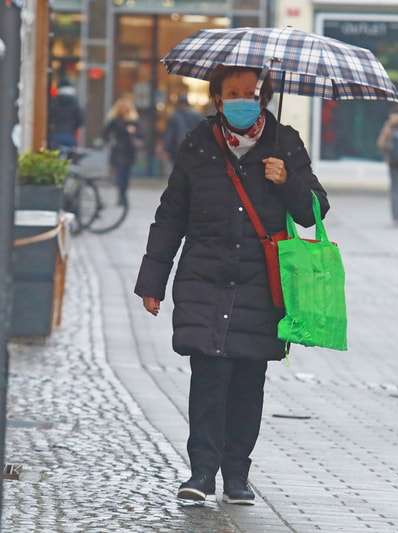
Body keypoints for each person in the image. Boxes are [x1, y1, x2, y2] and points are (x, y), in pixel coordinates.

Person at [134, 65, 330, 505]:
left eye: (251, 92)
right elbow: (171, 215)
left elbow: (315, 209)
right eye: (232, 93)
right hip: (204, 277)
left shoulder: (286, 143)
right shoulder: (198, 144)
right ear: (218, 99)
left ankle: (237, 474)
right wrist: (153, 281)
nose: (242, 100)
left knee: (246, 380)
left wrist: (288, 182)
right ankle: (201, 472)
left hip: (262, 285)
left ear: (264, 97)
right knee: (208, 376)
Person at [102, 97, 142, 201]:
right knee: (120, 172)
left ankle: (123, 192)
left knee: (126, 174)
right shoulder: (115, 121)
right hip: (118, 149)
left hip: (129, 150)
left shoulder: (133, 121)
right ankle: (120, 194)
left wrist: (133, 132)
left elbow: (141, 135)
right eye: (122, 108)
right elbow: (105, 133)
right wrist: (107, 141)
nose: (123, 110)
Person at [163, 93, 204, 162]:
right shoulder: (196, 116)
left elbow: (169, 134)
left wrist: (167, 148)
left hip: (178, 149)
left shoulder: (174, 116)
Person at [48, 79, 83, 154]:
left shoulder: (54, 102)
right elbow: (80, 120)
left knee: (55, 157)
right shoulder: (75, 103)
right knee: (69, 160)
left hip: (56, 135)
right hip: (70, 135)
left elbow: (49, 117)